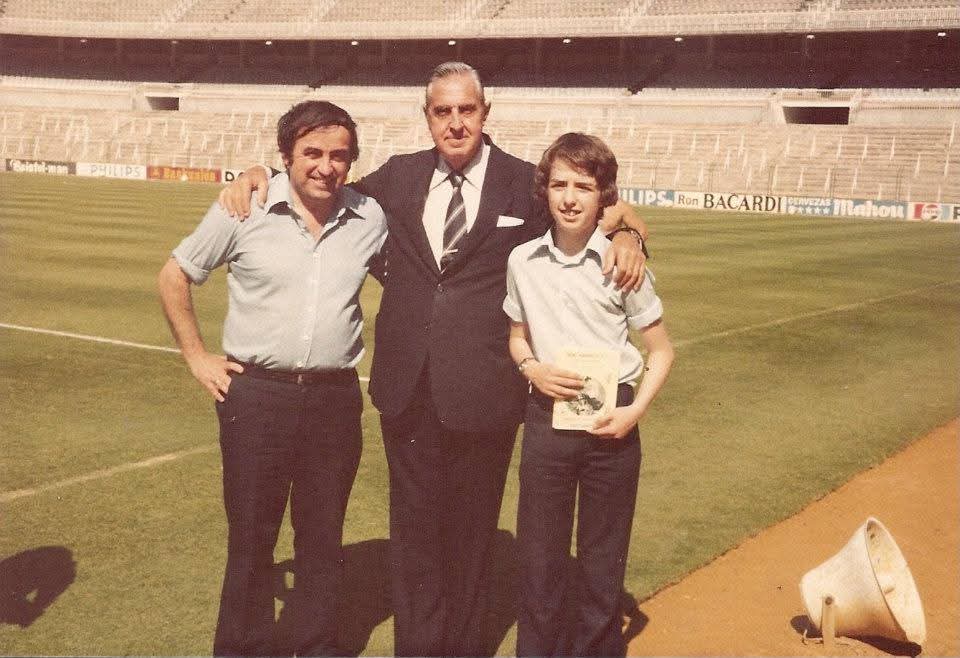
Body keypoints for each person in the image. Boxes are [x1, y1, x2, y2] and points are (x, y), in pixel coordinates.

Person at [218, 61, 649, 657]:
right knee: (413, 540)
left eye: (465, 110)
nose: (454, 123)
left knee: (473, 541)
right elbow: (320, 181)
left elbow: (606, 208)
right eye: (442, 111)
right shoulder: (397, 177)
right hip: (407, 390)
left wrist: (630, 234)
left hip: (485, 391)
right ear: (427, 118)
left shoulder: (525, 183)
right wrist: (257, 172)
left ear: (485, 113)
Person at [157, 100, 387, 657]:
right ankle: (242, 649)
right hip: (256, 398)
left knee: (321, 537)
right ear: (285, 156)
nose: (325, 166)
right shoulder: (245, 209)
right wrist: (197, 356)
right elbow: (175, 275)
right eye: (311, 153)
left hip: (334, 400)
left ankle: (315, 647)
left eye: (338, 155)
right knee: (252, 539)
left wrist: (622, 225)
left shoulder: (370, 217)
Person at [504, 132, 674, 657]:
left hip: (612, 427)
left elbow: (662, 352)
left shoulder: (623, 266)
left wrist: (634, 412)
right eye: (559, 185)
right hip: (547, 421)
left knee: (602, 562)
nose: (570, 197)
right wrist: (532, 368)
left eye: (583, 185)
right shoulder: (522, 260)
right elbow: (516, 337)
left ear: (605, 196)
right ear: (545, 192)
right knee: (540, 558)